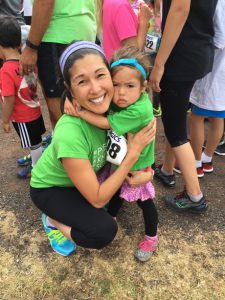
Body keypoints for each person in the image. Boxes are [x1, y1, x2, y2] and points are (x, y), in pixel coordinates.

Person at [30, 41, 156, 257]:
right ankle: (52, 220)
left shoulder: (113, 109)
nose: (96, 89)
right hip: (53, 188)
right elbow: (98, 197)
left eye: (100, 75)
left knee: (116, 200)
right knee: (103, 231)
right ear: (70, 89)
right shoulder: (71, 132)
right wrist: (132, 156)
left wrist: (148, 172)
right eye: (82, 81)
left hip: (85, 179)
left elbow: (138, 147)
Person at [74, 46, 158, 262]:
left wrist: (80, 111)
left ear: (142, 87)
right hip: (119, 159)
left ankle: (151, 236)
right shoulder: (122, 100)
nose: (121, 93)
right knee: (116, 189)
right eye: (116, 84)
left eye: (129, 86)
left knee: (144, 202)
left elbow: (105, 122)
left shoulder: (139, 109)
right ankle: (110, 215)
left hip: (137, 165)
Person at [150, 0, 218, 213]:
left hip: (181, 55)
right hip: (198, 50)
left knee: (175, 128)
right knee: (177, 116)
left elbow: (180, 8)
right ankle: (168, 170)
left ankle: (195, 196)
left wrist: (159, 64)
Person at [20, 0, 97, 129]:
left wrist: (31, 47)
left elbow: (45, 3)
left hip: (58, 35)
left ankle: (76, 145)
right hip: (82, 28)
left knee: (61, 107)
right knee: (81, 99)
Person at [0, 16, 45, 179]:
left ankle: (37, 167)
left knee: (34, 144)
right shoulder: (27, 62)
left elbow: (9, 98)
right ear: (20, 43)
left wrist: (5, 120)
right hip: (35, 110)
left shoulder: (5, 70)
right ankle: (37, 160)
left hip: (23, 116)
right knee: (36, 141)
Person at [189, 0, 225, 177]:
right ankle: (207, 159)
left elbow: (219, 38)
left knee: (196, 116)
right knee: (218, 116)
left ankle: (196, 163)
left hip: (215, 68)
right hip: (221, 74)